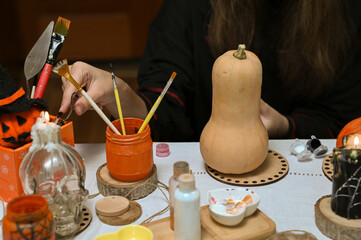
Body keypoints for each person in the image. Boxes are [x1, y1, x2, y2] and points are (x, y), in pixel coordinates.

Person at [59, 0, 361, 142]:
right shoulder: (190, 8)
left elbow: (342, 121)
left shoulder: (345, 14)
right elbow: (166, 109)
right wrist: (123, 97)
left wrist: (284, 127)